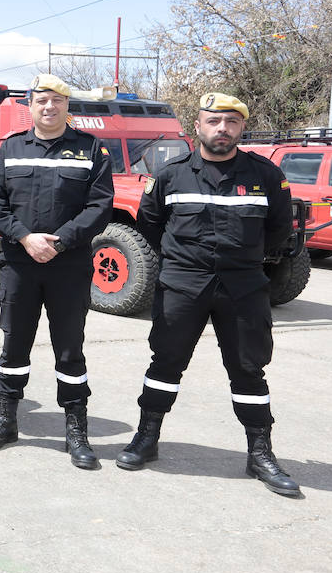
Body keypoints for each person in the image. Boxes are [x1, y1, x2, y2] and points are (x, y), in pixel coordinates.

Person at [117, 93, 300, 496]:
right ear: (197, 126)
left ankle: (260, 453)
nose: (223, 129)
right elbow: (150, 224)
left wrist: (244, 258)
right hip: (184, 283)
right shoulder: (170, 174)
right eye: (214, 121)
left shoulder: (265, 175)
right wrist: (183, 260)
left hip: (243, 286)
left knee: (248, 368)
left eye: (232, 122)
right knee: (165, 363)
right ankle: (146, 439)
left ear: (241, 129)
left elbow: (279, 228)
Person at [0, 74, 113, 468]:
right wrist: (25, 238)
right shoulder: (10, 148)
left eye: (57, 100)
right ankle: (5, 422)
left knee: (69, 350)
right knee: (14, 346)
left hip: (68, 266)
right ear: (31, 105)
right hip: (20, 265)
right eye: (41, 100)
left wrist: (59, 240)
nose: (49, 107)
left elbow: (99, 207)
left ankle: (76, 432)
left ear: (67, 106)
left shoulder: (91, 149)